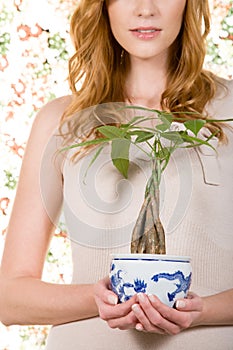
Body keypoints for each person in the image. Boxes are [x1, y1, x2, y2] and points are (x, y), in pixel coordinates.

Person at [0, 0, 233, 349]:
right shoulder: (61, 122)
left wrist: (200, 311)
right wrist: (101, 298)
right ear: (103, 6)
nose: (145, 9)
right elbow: (10, 298)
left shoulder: (226, 111)